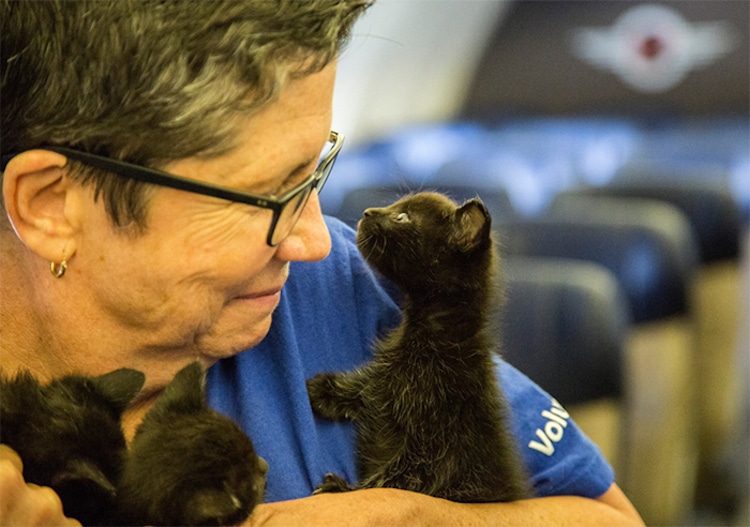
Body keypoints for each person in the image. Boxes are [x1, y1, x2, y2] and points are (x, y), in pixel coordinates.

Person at [0, 1, 644, 525]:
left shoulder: (335, 289)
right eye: (268, 195)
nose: (314, 237)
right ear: (53, 207)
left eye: (314, 171)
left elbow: (612, 518)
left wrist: (414, 519)